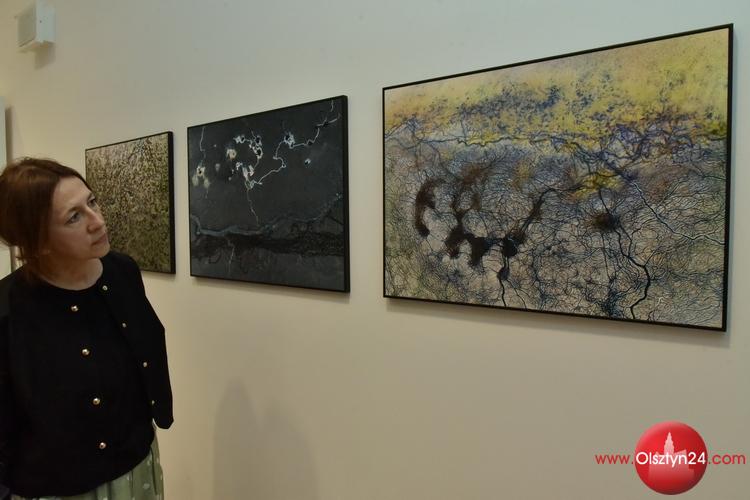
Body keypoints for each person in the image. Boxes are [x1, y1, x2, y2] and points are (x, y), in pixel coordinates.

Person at [0, 158, 173, 499]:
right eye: (74, 217)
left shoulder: (122, 272)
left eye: (92, 202)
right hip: (57, 487)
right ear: (38, 239)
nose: (98, 221)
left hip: (136, 464)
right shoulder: (9, 310)